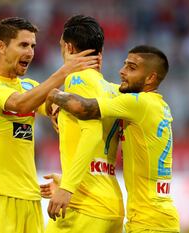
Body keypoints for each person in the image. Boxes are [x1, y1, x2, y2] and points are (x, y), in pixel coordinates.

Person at [0, 17, 100, 233]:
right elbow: (19, 104)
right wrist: (64, 72)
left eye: (33, 46)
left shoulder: (30, 86)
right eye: (23, 45)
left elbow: (56, 108)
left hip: (30, 198)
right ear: (2, 46)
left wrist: (83, 91)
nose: (30, 52)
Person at [45, 45, 180, 232]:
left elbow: (84, 108)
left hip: (150, 221)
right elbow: (111, 91)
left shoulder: (139, 103)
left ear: (150, 78)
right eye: (124, 65)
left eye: (131, 68)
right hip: (154, 215)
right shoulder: (156, 105)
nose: (122, 71)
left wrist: (53, 94)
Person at [40, 15, 124, 233]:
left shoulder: (78, 80)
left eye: (61, 47)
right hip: (110, 204)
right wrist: (68, 178)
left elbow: (92, 134)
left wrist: (67, 188)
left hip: (84, 207)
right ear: (101, 53)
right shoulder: (113, 90)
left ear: (68, 48)